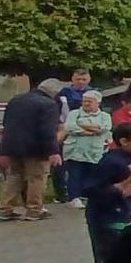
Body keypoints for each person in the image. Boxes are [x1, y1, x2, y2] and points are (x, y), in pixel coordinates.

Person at [81, 121, 131, 263]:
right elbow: (89, 189)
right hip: (108, 219)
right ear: (124, 141)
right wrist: (118, 189)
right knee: (109, 260)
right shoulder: (111, 162)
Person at [0, 77, 64, 221]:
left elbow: (6, 124)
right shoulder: (49, 104)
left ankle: (4, 208)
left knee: (14, 177)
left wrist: (4, 149)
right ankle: (34, 210)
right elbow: (47, 130)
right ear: (55, 92)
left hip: (13, 145)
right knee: (36, 178)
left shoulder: (16, 100)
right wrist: (53, 151)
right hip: (36, 148)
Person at [61, 91, 111, 211]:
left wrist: (81, 125)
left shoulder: (104, 116)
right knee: (75, 174)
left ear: (98, 103)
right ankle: (75, 197)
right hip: (75, 150)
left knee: (92, 174)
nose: (86, 103)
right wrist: (91, 130)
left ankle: (89, 196)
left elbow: (103, 128)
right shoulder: (74, 113)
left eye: (89, 101)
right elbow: (70, 127)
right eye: (84, 101)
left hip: (94, 150)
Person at [50, 69, 94, 203]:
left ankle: (82, 191)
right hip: (66, 129)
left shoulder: (93, 93)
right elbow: (56, 112)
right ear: (72, 79)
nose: (81, 82)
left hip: (86, 131)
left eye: (84, 79)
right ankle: (61, 193)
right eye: (78, 79)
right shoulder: (63, 94)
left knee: (84, 163)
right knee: (60, 164)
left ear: (88, 80)